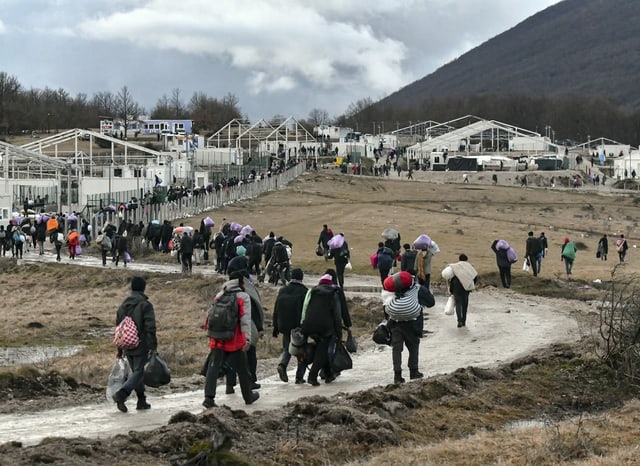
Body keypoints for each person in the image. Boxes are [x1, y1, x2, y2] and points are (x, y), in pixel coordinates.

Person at [202, 266, 260, 408]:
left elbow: (210, 315)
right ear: (241, 282)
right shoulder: (243, 297)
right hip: (235, 339)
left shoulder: (220, 294)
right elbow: (246, 320)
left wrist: (208, 330)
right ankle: (248, 397)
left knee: (213, 368)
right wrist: (247, 339)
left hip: (216, 338)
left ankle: (209, 398)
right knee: (243, 368)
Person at [112, 276, 158, 413]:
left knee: (136, 373)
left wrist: (119, 349)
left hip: (126, 343)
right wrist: (153, 346)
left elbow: (119, 329)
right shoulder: (145, 305)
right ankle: (122, 394)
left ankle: (141, 400)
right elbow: (151, 327)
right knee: (138, 372)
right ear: (143, 288)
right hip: (141, 343)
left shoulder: (122, 306)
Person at [381, 271, 435, 384]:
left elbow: (386, 308)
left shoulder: (392, 291)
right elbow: (431, 303)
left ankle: (397, 375)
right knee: (413, 347)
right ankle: (414, 372)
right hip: (413, 323)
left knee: (396, 349)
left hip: (395, 323)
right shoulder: (418, 289)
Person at [301, 274, 347, 386]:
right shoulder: (333, 294)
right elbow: (337, 314)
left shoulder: (312, 292)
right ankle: (312, 376)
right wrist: (339, 332)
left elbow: (305, 307)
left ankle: (328, 373)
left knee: (321, 349)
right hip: (325, 328)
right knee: (322, 351)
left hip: (310, 325)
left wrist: (304, 324)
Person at [272, 268, 309, 384]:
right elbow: (306, 310)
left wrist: (275, 326)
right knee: (301, 351)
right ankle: (299, 377)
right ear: (301, 278)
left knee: (287, 348)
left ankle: (282, 365)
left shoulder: (283, 290)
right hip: (298, 326)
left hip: (284, 325)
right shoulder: (304, 291)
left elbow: (276, 309)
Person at [442, 254, 478, 328]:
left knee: (458, 303)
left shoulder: (455, 267)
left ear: (459, 259)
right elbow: (474, 276)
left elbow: (451, 279)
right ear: (466, 259)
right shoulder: (470, 267)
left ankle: (459, 321)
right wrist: (472, 285)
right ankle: (464, 321)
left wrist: (451, 290)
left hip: (456, 287)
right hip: (466, 287)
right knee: (465, 304)